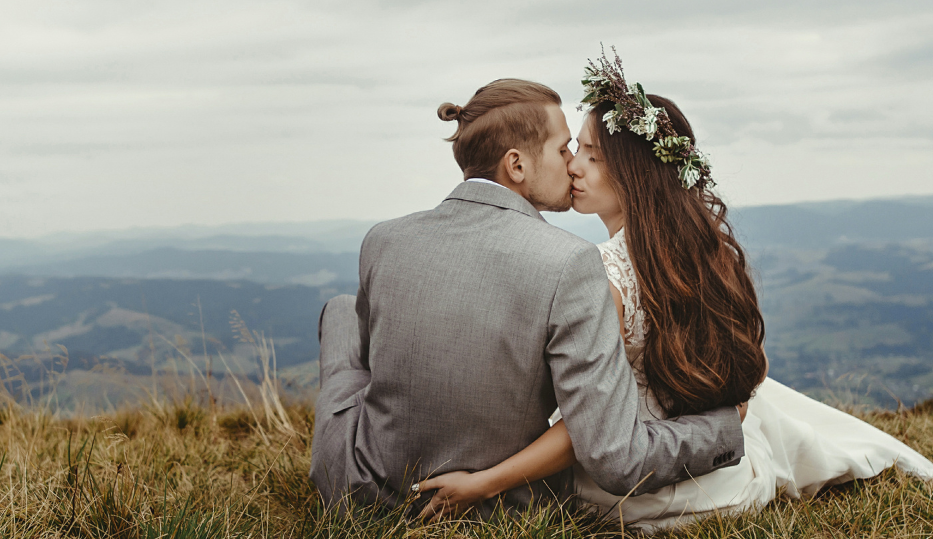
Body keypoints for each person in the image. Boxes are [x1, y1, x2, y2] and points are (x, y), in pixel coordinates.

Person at [415, 51, 933, 532]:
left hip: (639, 490)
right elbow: (746, 367)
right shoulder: (694, 253)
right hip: (716, 476)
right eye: (573, 149)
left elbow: (586, 430)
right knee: (764, 406)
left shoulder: (601, 274)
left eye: (590, 156)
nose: (572, 164)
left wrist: (484, 482)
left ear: (633, 176)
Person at [309, 78, 747, 520]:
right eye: (564, 150)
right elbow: (610, 445)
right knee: (347, 313)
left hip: (359, 486)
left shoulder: (383, 240)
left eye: (583, 153)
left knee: (343, 315)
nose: (572, 164)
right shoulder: (569, 261)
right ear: (516, 166)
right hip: (501, 509)